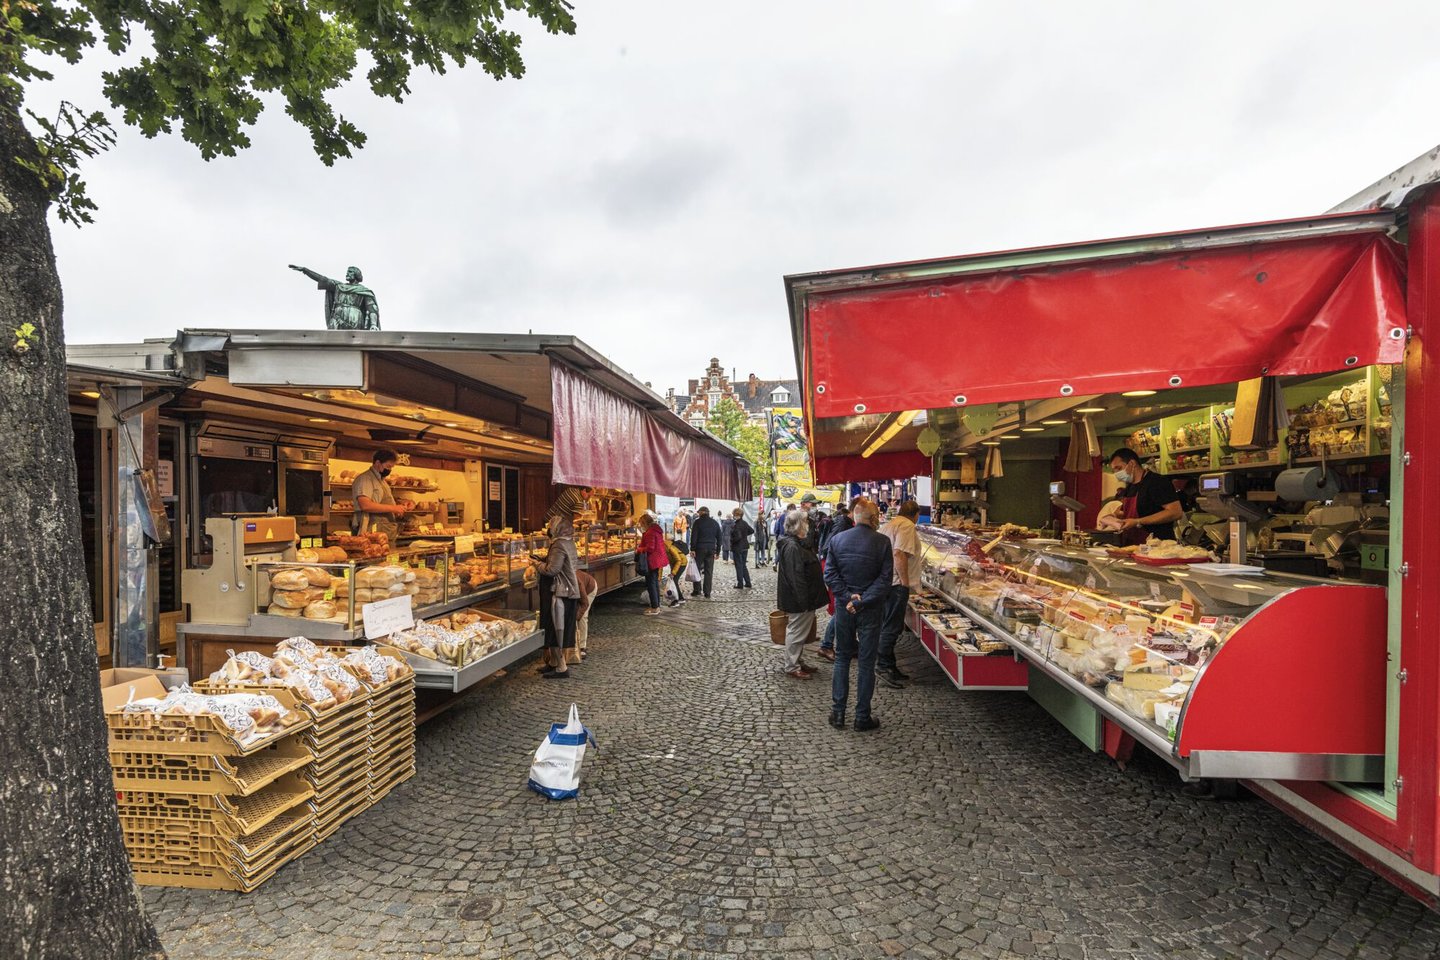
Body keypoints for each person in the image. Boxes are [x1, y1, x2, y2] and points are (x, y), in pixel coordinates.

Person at [822, 498, 893, 732]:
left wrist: (848, 599)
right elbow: (885, 580)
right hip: (869, 609)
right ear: (873, 518)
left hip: (846, 608)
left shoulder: (837, 540)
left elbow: (830, 575)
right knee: (866, 662)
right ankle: (862, 716)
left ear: (854, 516)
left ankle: (839, 712)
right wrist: (862, 600)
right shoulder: (882, 542)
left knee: (842, 657)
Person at [776, 509, 829, 679]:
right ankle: (792, 665)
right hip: (799, 600)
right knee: (796, 631)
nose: (808, 525)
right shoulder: (792, 546)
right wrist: (803, 600)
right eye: (805, 522)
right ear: (799, 525)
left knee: (800, 632)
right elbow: (795, 576)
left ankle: (797, 660)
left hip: (805, 598)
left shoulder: (797, 543)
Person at [875, 500, 922, 689]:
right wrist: (905, 582)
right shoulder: (907, 526)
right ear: (916, 514)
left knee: (888, 624)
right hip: (896, 584)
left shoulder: (888, 525)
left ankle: (890, 666)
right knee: (892, 627)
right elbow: (899, 553)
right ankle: (883, 667)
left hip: (886, 582)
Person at [1109, 448, 1184, 545]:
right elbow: (1124, 512)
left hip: (1158, 547)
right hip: (1134, 545)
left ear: (1132, 463)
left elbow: (1175, 512)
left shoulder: (1157, 482)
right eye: (1114, 470)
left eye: (1118, 468)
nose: (1116, 474)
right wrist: (1111, 517)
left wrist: (1138, 521)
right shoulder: (1130, 487)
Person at [539, 515, 581, 679]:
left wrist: (537, 564)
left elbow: (552, 570)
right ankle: (554, 663)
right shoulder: (569, 542)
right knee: (554, 629)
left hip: (559, 593)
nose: (548, 529)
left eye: (550, 526)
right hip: (568, 591)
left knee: (555, 630)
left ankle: (561, 667)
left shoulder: (558, 545)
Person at [289, 263, 381, 330]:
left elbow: (372, 308)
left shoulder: (364, 291)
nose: (347, 274)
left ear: (356, 275)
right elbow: (322, 279)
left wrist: (373, 324)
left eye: (350, 272)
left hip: (355, 320)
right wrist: (305, 270)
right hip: (336, 318)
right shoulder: (339, 286)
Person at [351, 449, 409, 540]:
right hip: (371, 531)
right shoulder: (365, 479)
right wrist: (393, 508)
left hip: (384, 532)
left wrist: (397, 510)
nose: (389, 470)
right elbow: (365, 505)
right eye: (388, 466)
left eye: (391, 468)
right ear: (378, 463)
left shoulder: (382, 481)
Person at [638, 512, 668, 616]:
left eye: (641, 523)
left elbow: (650, 548)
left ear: (645, 522)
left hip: (653, 560)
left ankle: (655, 607)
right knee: (654, 582)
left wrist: (639, 549)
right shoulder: (656, 530)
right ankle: (656, 605)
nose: (640, 526)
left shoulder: (650, 532)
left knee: (651, 583)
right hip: (657, 559)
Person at [688, 506, 721, 598]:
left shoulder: (697, 522)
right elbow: (719, 538)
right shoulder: (715, 523)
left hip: (699, 549)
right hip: (711, 549)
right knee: (708, 571)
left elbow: (694, 537)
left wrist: (692, 549)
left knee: (696, 569)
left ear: (702, 512)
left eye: (699, 512)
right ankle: (707, 592)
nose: (698, 514)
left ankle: (697, 590)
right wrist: (717, 551)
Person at [569, 568, 599, 665]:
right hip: (577, 592)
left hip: (590, 589)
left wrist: (577, 617)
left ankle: (582, 646)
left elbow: (584, 603)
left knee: (582, 617)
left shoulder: (577, 581)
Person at [730, 508, 754, 589]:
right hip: (745, 546)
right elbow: (751, 531)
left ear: (736, 515)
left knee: (739, 566)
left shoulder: (736, 525)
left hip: (738, 547)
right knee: (743, 565)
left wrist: (732, 540)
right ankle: (748, 582)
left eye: (734, 515)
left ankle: (740, 583)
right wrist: (745, 536)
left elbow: (738, 537)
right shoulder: (744, 523)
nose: (733, 516)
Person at [665, 535, 689, 606]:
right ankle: (680, 599)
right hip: (676, 564)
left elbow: (678, 560)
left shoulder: (670, 548)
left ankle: (676, 600)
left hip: (682, 563)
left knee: (674, 580)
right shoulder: (665, 547)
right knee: (673, 580)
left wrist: (673, 572)